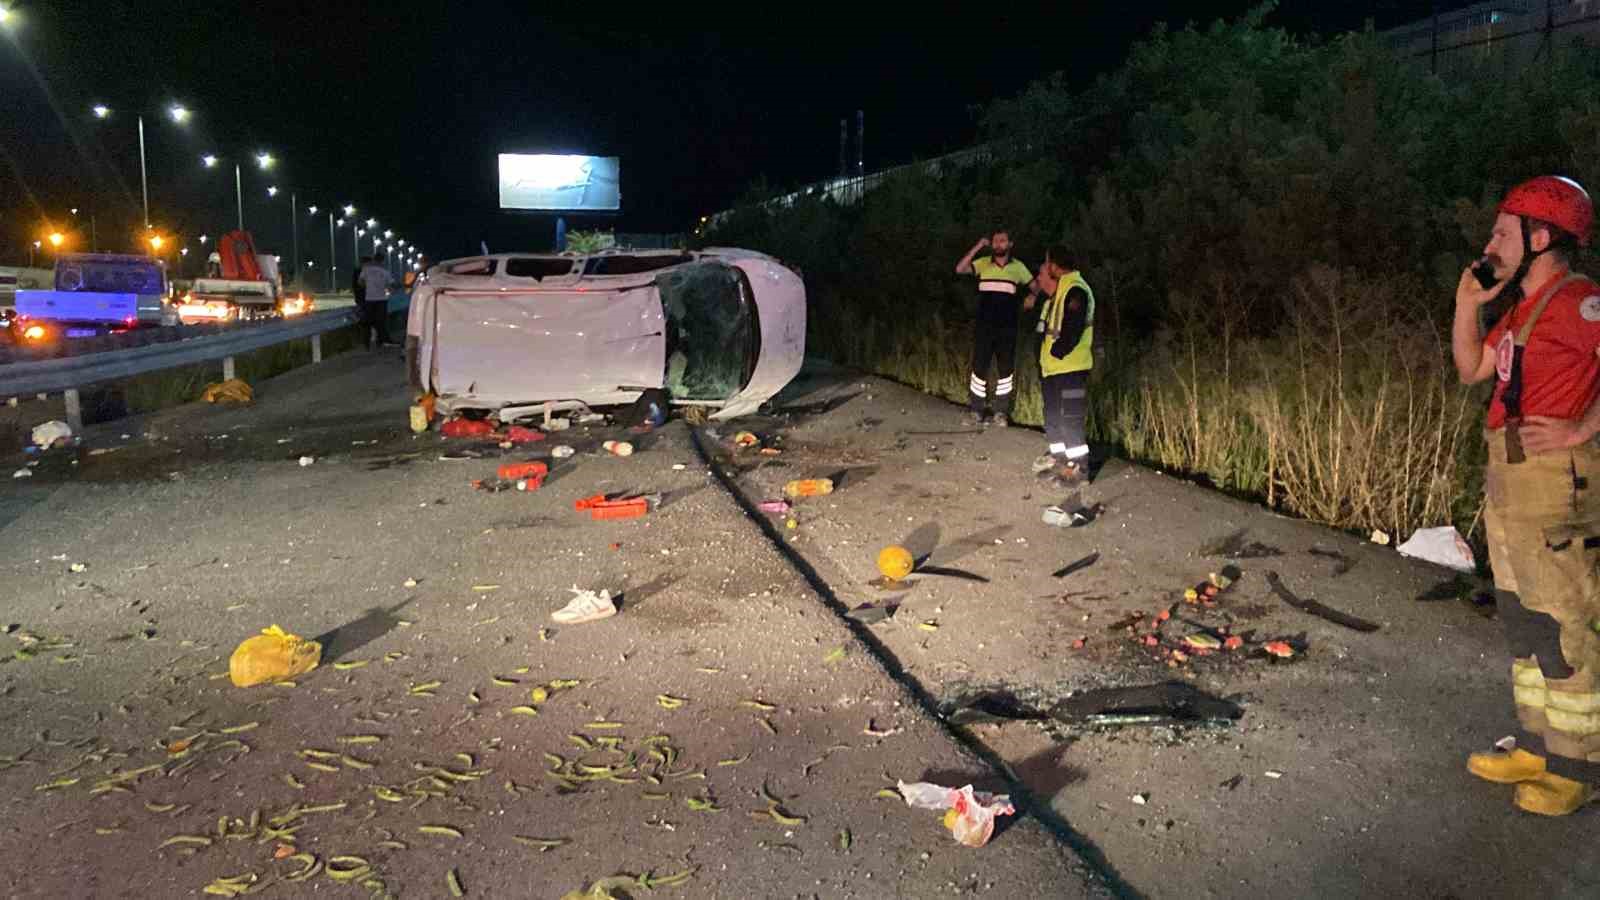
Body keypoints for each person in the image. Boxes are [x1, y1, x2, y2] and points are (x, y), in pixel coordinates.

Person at [1452, 175, 1600, 816]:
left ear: (1542, 238)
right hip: (1507, 475)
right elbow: (1471, 372)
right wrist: (1466, 306)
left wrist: (1584, 427)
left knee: (1564, 621)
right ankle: (1539, 749)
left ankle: (1579, 765)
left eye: (1502, 232)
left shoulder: (1584, 302)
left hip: (1553, 477)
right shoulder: (1518, 310)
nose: (1491, 244)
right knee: (1522, 618)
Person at [955, 228, 1040, 427]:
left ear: (1010, 244)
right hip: (984, 326)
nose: (998, 244)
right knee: (979, 367)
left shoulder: (1018, 267)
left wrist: (1033, 297)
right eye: (995, 241)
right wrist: (978, 246)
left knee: (1005, 370)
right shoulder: (984, 264)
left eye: (1002, 241)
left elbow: (1036, 286)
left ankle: (1001, 412)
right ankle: (976, 409)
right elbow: (960, 268)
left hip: (1007, 327)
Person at [1034, 244, 1094, 485]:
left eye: (1048, 263)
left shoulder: (1076, 288)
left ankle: (1079, 470)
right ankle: (1061, 461)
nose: (1046, 267)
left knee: (1070, 419)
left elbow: (1073, 327)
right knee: (1053, 418)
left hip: (1071, 368)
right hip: (1053, 369)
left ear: (1055, 265)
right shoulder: (1062, 290)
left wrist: (1058, 352)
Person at [358, 253, 394, 348]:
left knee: (368, 322)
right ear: (382, 261)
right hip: (382, 300)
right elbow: (390, 287)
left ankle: (367, 344)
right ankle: (381, 341)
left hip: (369, 299)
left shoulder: (366, 270)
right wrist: (387, 291)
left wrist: (369, 287)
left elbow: (360, 282)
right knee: (381, 322)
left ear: (374, 260)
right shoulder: (385, 271)